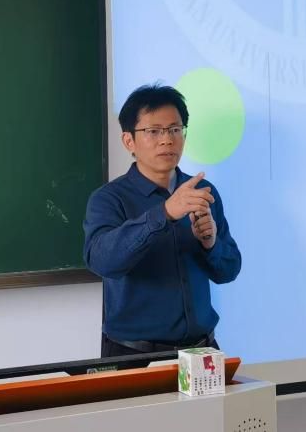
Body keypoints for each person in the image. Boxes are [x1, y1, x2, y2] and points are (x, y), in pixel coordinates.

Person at [84, 84, 242, 358]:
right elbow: (102, 261)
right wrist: (164, 213)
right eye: (154, 131)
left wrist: (210, 244)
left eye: (175, 129)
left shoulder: (202, 192)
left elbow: (228, 271)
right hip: (134, 356)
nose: (167, 140)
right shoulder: (108, 199)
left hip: (201, 352)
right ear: (129, 141)